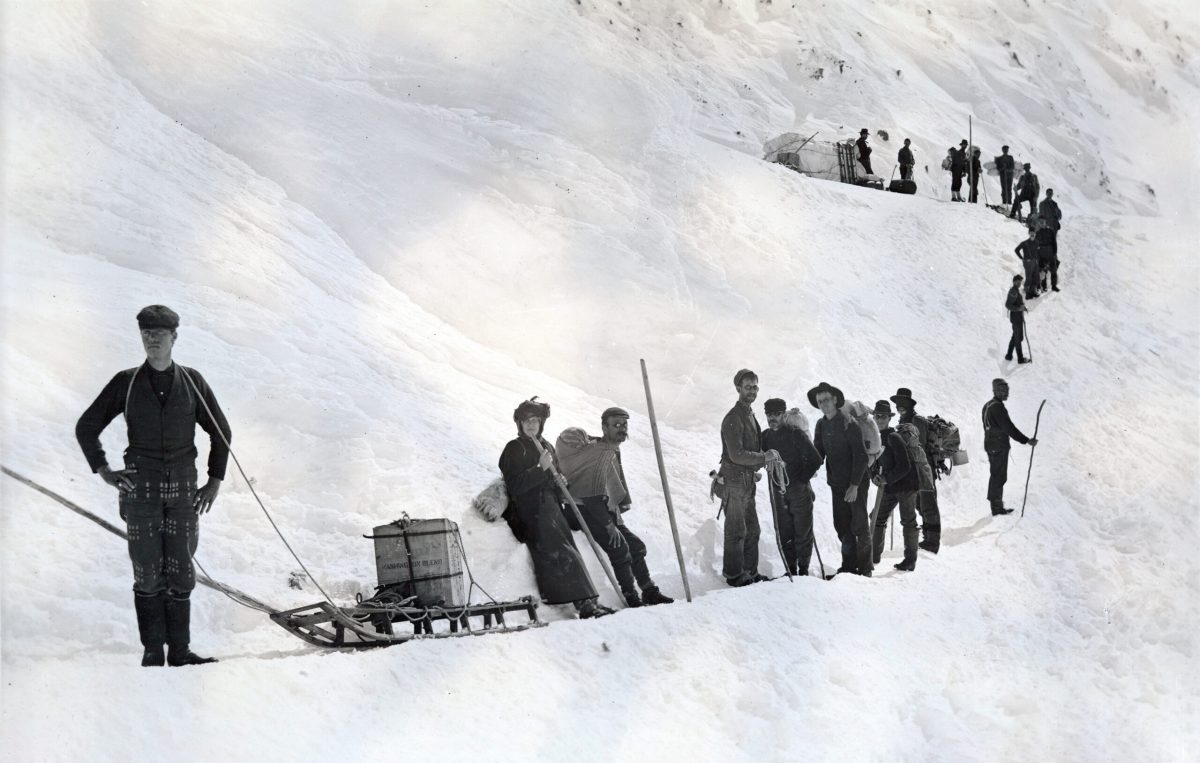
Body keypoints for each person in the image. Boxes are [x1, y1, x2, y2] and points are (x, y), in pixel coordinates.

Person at [75, 305, 230, 667]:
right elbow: (87, 427)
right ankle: (151, 653)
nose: (152, 340)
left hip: (183, 493)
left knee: (180, 571)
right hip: (140, 493)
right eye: (146, 334)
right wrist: (105, 471)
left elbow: (222, 432)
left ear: (174, 338)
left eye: (159, 334)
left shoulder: (192, 381)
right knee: (146, 572)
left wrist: (214, 481)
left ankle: (179, 652)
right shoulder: (125, 382)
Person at [499, 398, 612, 618]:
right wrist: (540, 468)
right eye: (526, 421)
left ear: (541, 423)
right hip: (527, 511)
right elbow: (515, 485)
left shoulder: (547, 446)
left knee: (569, 547)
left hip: (550, 508)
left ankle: (590, 601)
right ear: (519, 424)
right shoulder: (514, 448)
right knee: (560, 550)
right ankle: (584, 605)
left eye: (535, 420)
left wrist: (559, 481)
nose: (531, 425)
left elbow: (554, 481)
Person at [555, 408, 673, 607]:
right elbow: (590, 493)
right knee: (620, 548)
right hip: (582, 509)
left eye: (624, 425)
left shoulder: (608, 449)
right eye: (615, 425)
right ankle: (631, 596)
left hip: (600, 508)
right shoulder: (599, 452)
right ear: (604, 427)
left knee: (636, 546)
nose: (621, 429)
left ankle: (649, 591)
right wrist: (608, 524)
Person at [718, 369, 780, 587]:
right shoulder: (733, 418)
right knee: (736, 530)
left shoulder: (749, 415)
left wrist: (757, 466)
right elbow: (736, 454)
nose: (752, 391)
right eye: (747, 387)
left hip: (746, 480)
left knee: (752, 529)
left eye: (755, 387)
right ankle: (735, 575)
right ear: (738, 389)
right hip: (734, 482)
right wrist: (764, 457)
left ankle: (750, 572)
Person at [810, 381, 872, 576]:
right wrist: (809, 468)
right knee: (842, 525)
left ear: (835, 399)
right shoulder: (821, 424)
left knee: (859, 525)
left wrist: (854, 486)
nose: (823, 404)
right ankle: (848, 566)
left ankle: (865, 568)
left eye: (826, 399)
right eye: (820, 401)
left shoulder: (848, 423)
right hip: (837, 484)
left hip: (856, 483)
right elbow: (818, 452)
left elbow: (861, 457)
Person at [761, 399, 822, 576]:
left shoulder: (796, 434)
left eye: (777, 414)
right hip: (778, 492)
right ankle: (790, 569)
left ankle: (803, 570)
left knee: (802, 530)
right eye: (769, 414)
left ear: (784, 415)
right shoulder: (765, 437)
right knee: (785, 531)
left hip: (799, 491)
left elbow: (815, 459)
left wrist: (802, 479)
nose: (772, 418)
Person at [868, 401, 919, 571]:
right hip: (889, 487)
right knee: (877, 516)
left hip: (906, 486)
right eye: (877, 416)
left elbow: (905, 466)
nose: (879, 419)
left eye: (883, 416)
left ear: (889, 419)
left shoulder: (893, 437)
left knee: (908, 521)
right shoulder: (875, 438)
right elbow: (872, 463)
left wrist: (886, 478)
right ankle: (873, 557)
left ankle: (910, 560)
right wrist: (874, 477)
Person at [890, 387, 942, 553]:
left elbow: (921, 446)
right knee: (920, 505)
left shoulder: (917, 420)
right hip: (913, 470)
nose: (900, 406)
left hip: (924, 468)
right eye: (898, 403)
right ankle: (927, 537)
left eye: (903, 403)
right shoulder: (902, 421)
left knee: (928, 505)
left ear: (910, 404)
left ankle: (933, 542)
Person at [982, 379, 1038, 515]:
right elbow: (1009, 428)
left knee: (996, 474)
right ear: (995, 391)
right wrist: (1026, 441)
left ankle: (996, 504)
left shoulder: (988, 405)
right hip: (998, 445)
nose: (1006, 393)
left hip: (991, 444)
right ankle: (996, 507)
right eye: (1002, 390)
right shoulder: (997, 407)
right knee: (999, 476)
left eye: (1007, 390)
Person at [1038, 188, 1063, 292]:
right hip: (1045, 227)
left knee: (1052, 246)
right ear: (1046, 193)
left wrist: (1056, 216)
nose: (1049, 195)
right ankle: (1043, 283)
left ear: (1052, 194)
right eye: (1048, 193)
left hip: (1053, 228)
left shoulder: (1055, 204)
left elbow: (1059, 215)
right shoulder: (1042, 204)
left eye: (1051, 193)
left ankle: (1053, 284)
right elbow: (1041, 215)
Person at [1005, 275, 1030, 364]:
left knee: (1016, 336)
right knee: (1018, 338)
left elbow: (1017, 303)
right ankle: (1020, 358)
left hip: (1018, 317)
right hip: (1016, 318)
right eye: (1018, 282)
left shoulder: (1016, 291)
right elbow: (1008, 305)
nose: (1019, 283)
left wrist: (1023, 307)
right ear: (1014, 282)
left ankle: (1009, 355)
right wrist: (1019, 308)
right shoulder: (1013, 292)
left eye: (1020, 282)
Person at [1015, 228, 1042, 300]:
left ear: (1035, 234)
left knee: (1036, 277)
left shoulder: (1037, 242)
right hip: (1028, 262)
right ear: (1029, 234)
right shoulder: (1024, 243)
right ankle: (1027, 293)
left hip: (1035, 262)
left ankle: (1033, 291)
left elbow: (1037, 251)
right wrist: (1022, 258)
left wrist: (1037, 259)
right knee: (1029, 278)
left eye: (1033, 233)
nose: (1032, 234)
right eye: (1031, 233)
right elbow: (1016, 250)